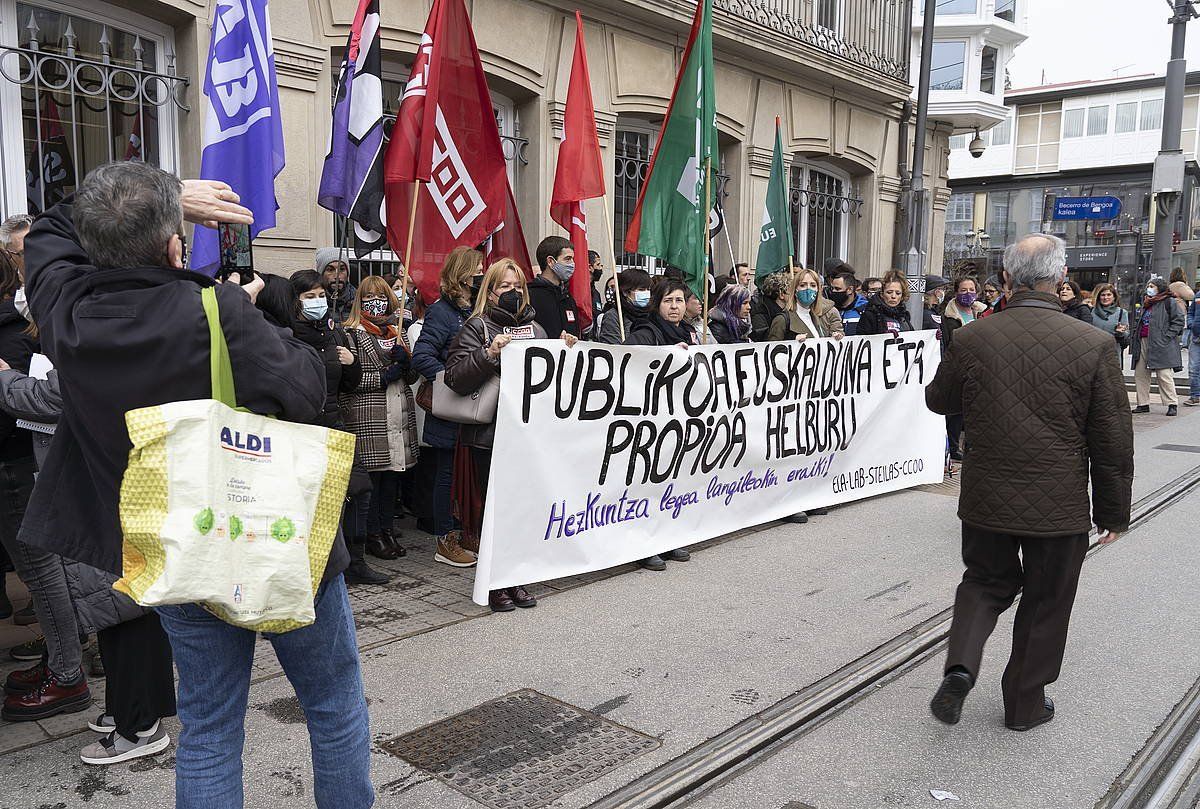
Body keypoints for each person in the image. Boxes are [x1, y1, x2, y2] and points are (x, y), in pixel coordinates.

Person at [23, 162, 373, 807]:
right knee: (333, 705)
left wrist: (164, 199)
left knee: (209, 725)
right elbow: (306, 388)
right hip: (276, 541)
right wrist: (263, 313)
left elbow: (50, 232)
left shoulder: (64, 310)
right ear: (174, 245)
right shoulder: (216, 310)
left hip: (176, 551)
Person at [925, 233, 1133, 733]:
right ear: (1061, 280)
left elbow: (939, 401)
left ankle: (961, 666)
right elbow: (1112, 440)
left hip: (986, 495)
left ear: (1005, 278)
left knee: (983, 581)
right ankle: (1023, 704)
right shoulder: (1095, 345)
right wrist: (1112, 513)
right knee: (1047, 599)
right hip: (1059, 503)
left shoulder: (974, 336)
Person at [0, 357, 176, 766]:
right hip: (115, 471)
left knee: (122, 603)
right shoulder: (112, 318)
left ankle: (140, 725)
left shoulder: (98, 325)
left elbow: (57, 395)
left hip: (111, 475)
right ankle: (130, 710)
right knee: (117, 600)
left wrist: (6, 378)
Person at [443, 258, 576, 611]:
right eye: (504, 286)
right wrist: (488, 354)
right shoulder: (477, 327)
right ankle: (493, 584)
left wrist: (566, 353)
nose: (512, 292)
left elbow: (552, 384)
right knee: (494, 513)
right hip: (489, 438)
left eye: (517, 286)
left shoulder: (536, 330)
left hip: (527, 439)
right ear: (490, 291)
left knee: (521, 511)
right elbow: (455, 378)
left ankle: (515, 578)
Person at [286, 270, 386, 586]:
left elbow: (351, 384)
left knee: (360, 490)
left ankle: (355, 562)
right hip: (304, 430)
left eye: (320, 296)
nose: (316, 302)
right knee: (315, 501)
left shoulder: (334, 332)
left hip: (336, 424)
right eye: (309, 297)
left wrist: (351, 362)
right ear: (296, 300)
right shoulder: (287, 334)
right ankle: (317, 566)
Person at [412, 246, 483, 568]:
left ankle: (466, 531)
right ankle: (445, 539)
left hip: (475, 407)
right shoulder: (442, 311)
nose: (483, 272)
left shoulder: (476, 309)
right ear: (464, 273)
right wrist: (453, 379)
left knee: (469, 474)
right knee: (446, 476)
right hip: (451, 406)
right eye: (478, 268)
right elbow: (422, 355)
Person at [340, 277, 420, 563]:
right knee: (373, 478)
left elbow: (410, 376)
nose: (377, 301)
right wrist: (382, 376)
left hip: (398, 412)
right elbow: (348, 381)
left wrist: (407, 362)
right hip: (368, 415)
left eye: (382, 295)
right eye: (370, 295)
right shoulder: (352, 333)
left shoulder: (397, 331)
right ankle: (372, 534)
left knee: (392, 477)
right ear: (360, 299)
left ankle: (387, 528)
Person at [624, 278, 695, 569]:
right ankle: (644, 544)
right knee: (648, 484)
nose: (675, 307)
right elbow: (629, 363)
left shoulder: (689, 333)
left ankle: (667, 538)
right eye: (668, 301)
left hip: (677, 420)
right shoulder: (646, 332)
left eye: (679, 300)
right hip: (650, 421)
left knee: (672, 481)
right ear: (657, 304)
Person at [1131, 276, 1185, 417]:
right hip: (1143, 340)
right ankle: (1143, 403)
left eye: (1152, 286)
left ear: (1160, 288)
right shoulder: (1147, 303)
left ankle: (1171, 403)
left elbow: (1179, 321)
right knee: (1140, 374)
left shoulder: (1169, 301)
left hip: (1161, 343)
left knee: (1164, 374)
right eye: (1149, 285)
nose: (1149, 288)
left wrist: (1167, 336)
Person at [768, 268, 845, 342]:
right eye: (802, 285)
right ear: (795, 290)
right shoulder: (782, 319)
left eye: (813, 285)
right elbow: (773, 350)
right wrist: (792, 341)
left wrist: (835, 338)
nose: (808, 289)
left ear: (818, 290)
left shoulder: (816, 317)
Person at [527, 236, 580, 339]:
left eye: (573, 259)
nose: (572, 264)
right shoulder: (530, 296)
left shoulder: (568, 298)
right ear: (550, 261)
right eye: (567, 259)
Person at [593, 268, 652, 345]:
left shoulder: (652, 314)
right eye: (641, 289)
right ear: (625, 292)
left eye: (648, 289)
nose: (646, 293)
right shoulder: (613, 316)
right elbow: (613, 348)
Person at [856, 270, 914, 335]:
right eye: (889, 292)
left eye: (898, 293)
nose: (893, 296)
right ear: (882, 294)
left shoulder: (904, 316)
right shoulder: (870, 315)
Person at [1090, 283, 1129, 367]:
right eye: (1103, 295)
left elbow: (1126, 335)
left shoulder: (1122, 313)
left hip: (1112, 353)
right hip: (1094, 352)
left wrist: (1120, 332)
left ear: (1114, 297)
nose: (1105, 297)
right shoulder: (1091, 311)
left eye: (1109, 295)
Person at [315, 247, 356, 324]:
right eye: (330, 270)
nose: (337, 276)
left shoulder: (358, 302)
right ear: (321, 273)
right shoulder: (314, 304)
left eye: (342, 269)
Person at [749, 271, 791, 342]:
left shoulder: (787, 313)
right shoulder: (760, 313)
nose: (794, 295)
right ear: (781, 294)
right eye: (791, 292)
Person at [827, 270, 867, 335]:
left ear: (850, 290)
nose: (833, 291)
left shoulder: (865, 310)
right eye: (832, 288)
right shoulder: (830, 310)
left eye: (837, 289)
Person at [587, 250, 605, 325]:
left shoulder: (596, 293)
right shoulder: (578, 290)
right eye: (598, 265)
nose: (601, 268)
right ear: (590, 267)